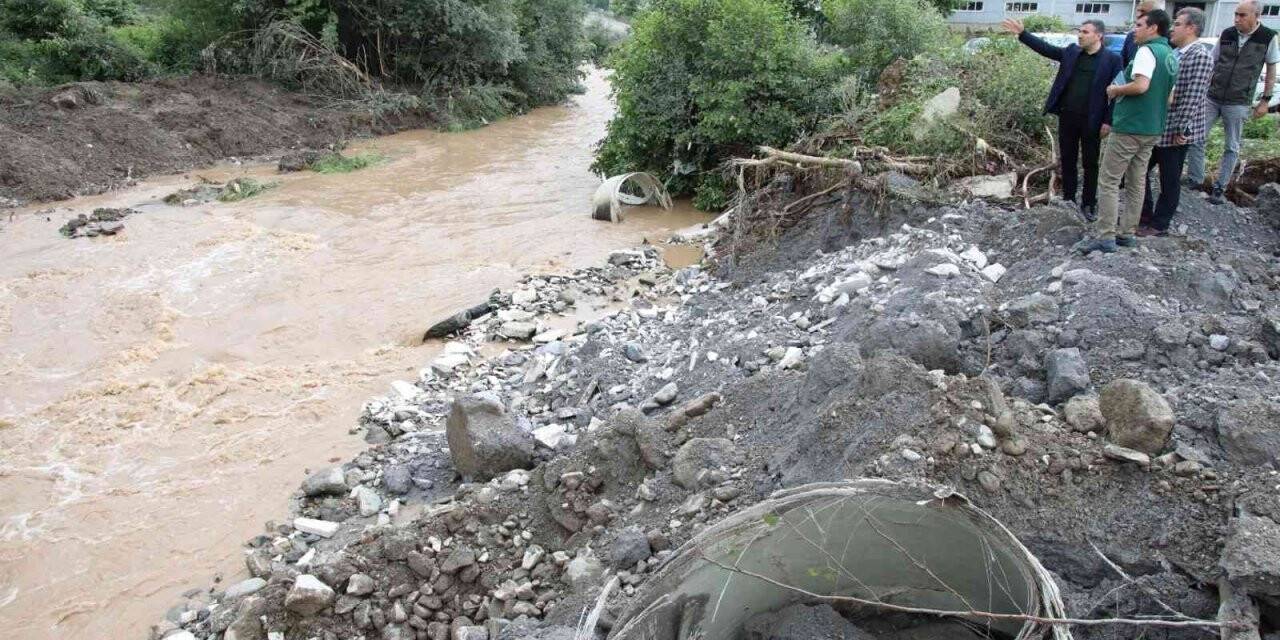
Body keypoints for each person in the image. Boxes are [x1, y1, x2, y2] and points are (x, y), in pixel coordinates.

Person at [1077, 9, 1178, 254]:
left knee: (1109, 180)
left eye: (1140, 24)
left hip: (1130, 126)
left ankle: (1105, 236)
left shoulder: (1146, 51)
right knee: (1137, 181)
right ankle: (1127, 233)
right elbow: (1170, 97)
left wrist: (1115, 91)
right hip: (1152, 127)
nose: (1135, 29)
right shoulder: (1170, 55)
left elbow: (1141, 85)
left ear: (1153, 28)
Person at [1003, 17, 1123, 221]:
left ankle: (1088, 204)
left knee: (1090, 163)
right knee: (1067, 160)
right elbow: (1047, 49)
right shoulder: (1071, 52)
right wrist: (1023, 34)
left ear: (1098, 36)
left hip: (1093, 120)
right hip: (1068, 116)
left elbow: (1117, 95)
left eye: (1085, 32)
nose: (1080, 35)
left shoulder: (1112, 60)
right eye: (1079, 31)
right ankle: (1069, 200)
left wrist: (1108, 121)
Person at [1185, 0, 1278, 203]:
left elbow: (1271, 70)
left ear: (1256, 16)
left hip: (1239, 101)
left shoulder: (1268, 37)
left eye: (1242, 15)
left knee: (1231, 146)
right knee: (1196, 137)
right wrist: (1201, 89)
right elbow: (1213, 61)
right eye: (1236, 14)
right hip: (1212, 96)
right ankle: (1195, 180)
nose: (1237, 19)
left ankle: (1220, 188)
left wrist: (1265, 100)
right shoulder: (1227, 34)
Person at [1139, 8, 1213, 236]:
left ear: (1191, 28)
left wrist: (1182, 128)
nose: (1173, 28)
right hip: (1160, 125)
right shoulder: (1176, 52)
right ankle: (1144, 216)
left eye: (1178, 24)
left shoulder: (1199, 56)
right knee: (1138, 170)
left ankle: (1159, 224)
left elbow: (1193, 96)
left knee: (1169, 179)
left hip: (1176, 130)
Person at [1122, 0, 1163, 65]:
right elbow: (1123, 64)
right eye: (1138, 10)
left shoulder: (1166, 42)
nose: (1138, 15)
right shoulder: (1131, 37)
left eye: (1143, 11)